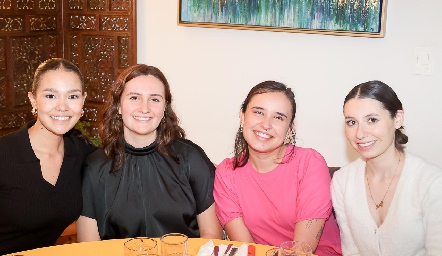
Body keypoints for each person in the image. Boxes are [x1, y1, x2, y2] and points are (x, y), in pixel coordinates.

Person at [76, 64, 223, 241]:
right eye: (134, 98)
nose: (144, 108)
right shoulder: (94, 167)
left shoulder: (191, 158)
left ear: (164, 108)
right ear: (119, 106)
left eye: (154, 99)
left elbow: (212, 236)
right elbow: (89, 248)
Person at [214, 81, 342, 255]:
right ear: (242, 117)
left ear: (290, 129)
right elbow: (246, 249)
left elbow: (301, 250)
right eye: (259, 112)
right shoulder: (226, 173)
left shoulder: (309, 163)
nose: (266, 124)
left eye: (278, 117)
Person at [331, 80, 442, 255]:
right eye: (352, 122)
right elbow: (351, 251)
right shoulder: (342, 182)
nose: (360, 133)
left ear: (397, 119)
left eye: (372, 120)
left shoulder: (431, 182)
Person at [0, 58, 95, 254]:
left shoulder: (83, 153)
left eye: (72, 96)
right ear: (33, 100)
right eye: (51, 96)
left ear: (83, 101)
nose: (62, 106)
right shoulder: (4, 155)